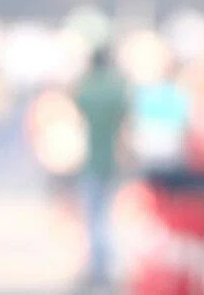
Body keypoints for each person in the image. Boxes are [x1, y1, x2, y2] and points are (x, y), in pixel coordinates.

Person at [72, 40, 131, 294]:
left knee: (94, 217)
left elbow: (78, 109)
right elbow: (125, 120)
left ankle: (98, 269)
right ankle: (107, 268)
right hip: (112, 159)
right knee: (108, 217)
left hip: (92, 159)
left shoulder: (87, 88)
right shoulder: (117, 89)